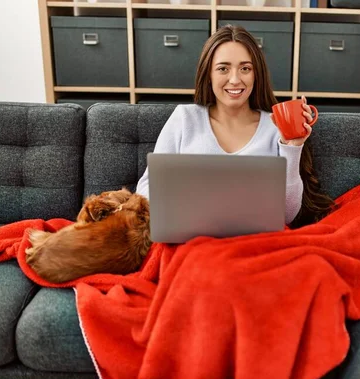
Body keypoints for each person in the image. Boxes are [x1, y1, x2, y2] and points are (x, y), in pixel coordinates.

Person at [136, 24, 334, 227]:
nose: (235, 79)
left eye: (245, 69)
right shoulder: (185, 118)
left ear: (256, 75)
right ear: (209, 75)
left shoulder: (276, 126)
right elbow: (145, 189)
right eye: (223, 68)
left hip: (254, 245)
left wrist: (292, 148)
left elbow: (287, 215)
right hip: (195, 241)